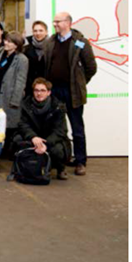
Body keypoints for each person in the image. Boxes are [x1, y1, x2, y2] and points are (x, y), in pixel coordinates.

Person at [43, 12, 97, 176]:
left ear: (68, 23)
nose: (55, 24)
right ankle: (60, 158)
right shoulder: (51, 41)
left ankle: (80, 161)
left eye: (58, 21)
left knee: (77, 127)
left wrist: (79, 82)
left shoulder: (80, 42)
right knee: (56, 126)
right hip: (54, 91)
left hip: (72, 92)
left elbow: (91, 67)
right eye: (54, 21)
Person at [10, 78, 70, 181]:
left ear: (48, 92)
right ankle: (21, 168)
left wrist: (46, 144)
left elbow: (60, 130)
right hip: (34, 137)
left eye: (42, 90)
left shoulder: (58, 107)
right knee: (17, 140)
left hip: (50, 139)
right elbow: (23, 124)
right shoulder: (25, 104)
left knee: (58, 150)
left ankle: (60, 169)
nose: (39, 93)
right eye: (36, 90)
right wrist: (33, 137)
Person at [0, 32, 29, 154]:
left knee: (11, 125)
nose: (6, 43)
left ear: (16, 45)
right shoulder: (0, 53)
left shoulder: (22, 59)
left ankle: (9, 151)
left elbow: (21, 81)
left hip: (10, 96)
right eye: (5, 40)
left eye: (9, 42)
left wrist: (15, 100)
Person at [23, 20, 48, 97]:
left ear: (46, 32)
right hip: (29, 87)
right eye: (35, 31)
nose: (38, 33)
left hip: (47, 86)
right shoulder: (26, 47)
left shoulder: (52, 47)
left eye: (41, 30)